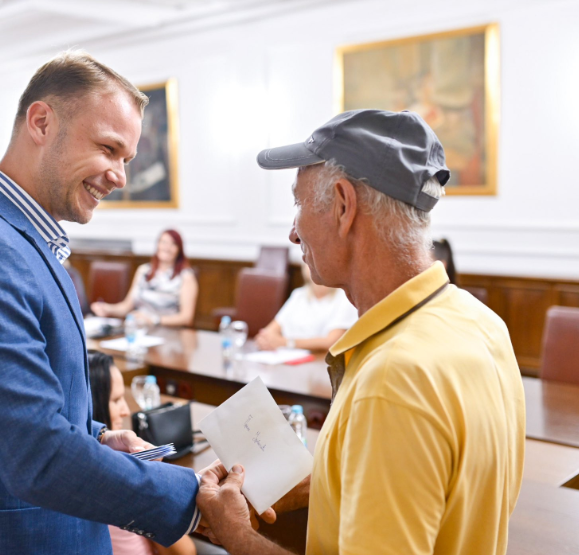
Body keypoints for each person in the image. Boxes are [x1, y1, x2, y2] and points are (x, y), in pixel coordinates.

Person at [0, 51, 206, 555]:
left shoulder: (15, 241)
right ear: (41, 122)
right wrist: (192, 496)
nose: (121, 177)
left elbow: (16, 412)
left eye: (127, 159)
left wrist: (100, 437)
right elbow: (34, 454)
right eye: (109, 148)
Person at [196, 110, 525, 555]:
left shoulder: (393, 381)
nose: (293, 233)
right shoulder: (480, 322)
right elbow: (431, 480)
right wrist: (298, 486)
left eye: (299, 203)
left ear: (344, 205)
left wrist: (236, 535)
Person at [87, 350, 197, 555]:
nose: (126, 410)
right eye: (117, 399)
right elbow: (184, 551)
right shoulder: (120, 473)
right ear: (93, 403)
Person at [91, 229, 198, 327]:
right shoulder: (143, 271)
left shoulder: (186, 277)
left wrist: (154, 320)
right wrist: (107, 309)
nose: (167, 247)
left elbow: (186, 318)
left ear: (179, 250)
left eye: (173, 244)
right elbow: (126, 306)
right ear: (158, 245)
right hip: (139, 330)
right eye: (164, 242)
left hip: (169, 335)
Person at [254, 263, 356, 352]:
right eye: (307, 259)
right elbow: (270, 331)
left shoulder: (344, 297)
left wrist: (286, 342)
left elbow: (332, 342)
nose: (313, 264)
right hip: (287, 361)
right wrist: (264, 340)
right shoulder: (298, 295)